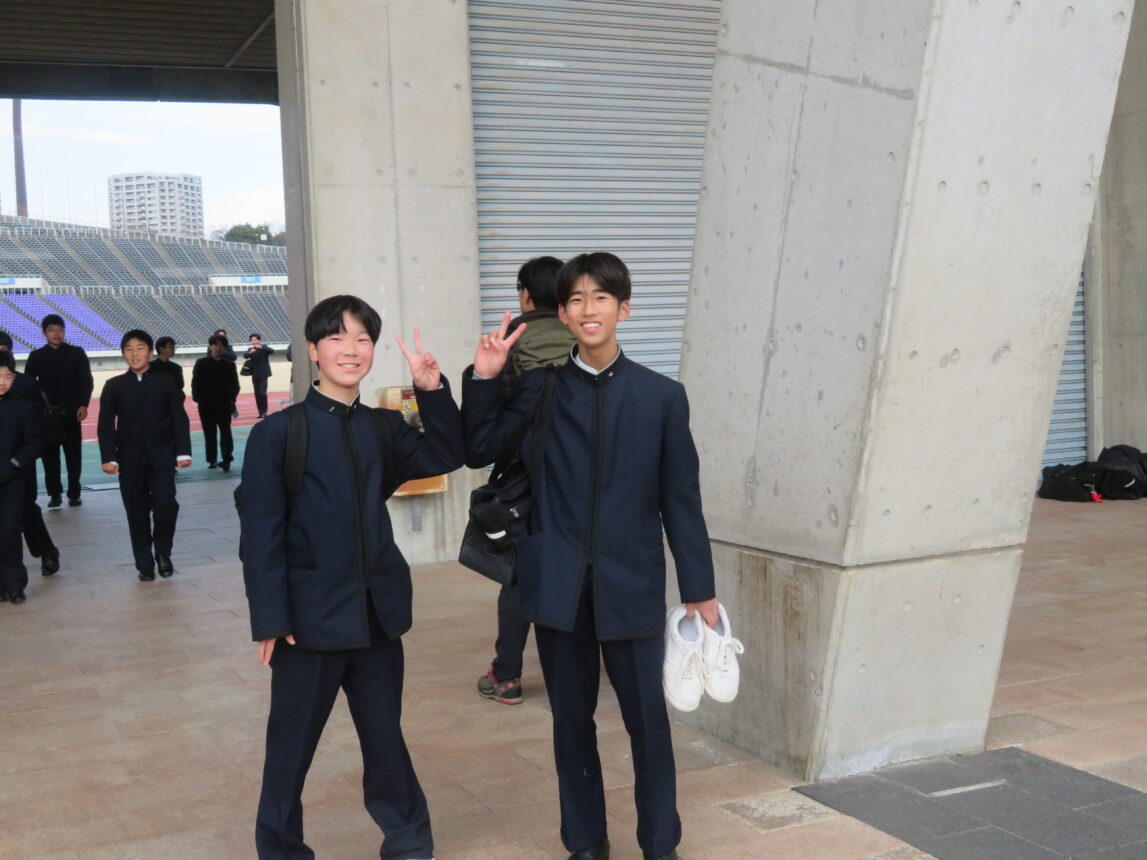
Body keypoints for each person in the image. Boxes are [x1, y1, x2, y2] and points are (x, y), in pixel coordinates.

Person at [463, 252, 718, 860]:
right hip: (557, 586)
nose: (588, 308)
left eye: (600, 297)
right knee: (570, 724)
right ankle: (584, 843)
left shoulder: (661, 397)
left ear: (623, 309)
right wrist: (485, 380)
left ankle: (661, 844)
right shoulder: (539, 389)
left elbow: (681, 501)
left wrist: (699, 589)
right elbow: (480, 448)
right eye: (575, 298)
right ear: (563, 313)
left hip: (631, 584)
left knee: (648, 724)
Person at [240, 295, 464, 860]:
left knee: (386, 740)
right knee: (290, 749)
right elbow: (260, 537)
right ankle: (280, 849)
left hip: (376, 618)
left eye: (362, 339)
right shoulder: (278, 435)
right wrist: (270, 618)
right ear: (313, 350)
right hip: (307, 625)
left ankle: (409, 844)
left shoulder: (384, 428)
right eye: (337, 338)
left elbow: (448, 452)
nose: (351, 349)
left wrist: (432, 391)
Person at [476, 255, 575, 706]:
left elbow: (494, 417)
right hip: (578, 474)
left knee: (519, 573)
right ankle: (578, 671)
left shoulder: (511, 338)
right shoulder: (583, 334)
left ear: (525, 294)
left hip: (525, 477)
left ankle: (507, 676)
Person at [98, 330, 192, 581]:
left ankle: (163, 552)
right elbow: (105, 424)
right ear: (123, 354)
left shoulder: (166, 382)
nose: (134, 353)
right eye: (128, 349)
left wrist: (183, 452)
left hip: (162, 457)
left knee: (165, 504)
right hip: (129, 460)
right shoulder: (114, 386)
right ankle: (144, 564)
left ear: (150, 352)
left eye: (140, 348)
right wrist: (108, 457)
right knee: (136, 512)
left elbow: (179, 418)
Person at [0, 332, 60, 577]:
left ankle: (46, 551)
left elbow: (38, 429)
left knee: (25, 512)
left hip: (19, 467)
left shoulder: (25, 384)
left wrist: (18, 461)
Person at [23, 314, 93, 508]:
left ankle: (74, 493)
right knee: (50, 458)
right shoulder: (36, 356)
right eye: (51, 330)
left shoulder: (77, 353)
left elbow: (86, 381)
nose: (56, 334)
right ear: (44, 333)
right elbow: (29, 385)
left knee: (74, 457)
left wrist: (83, 404)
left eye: (60, 330)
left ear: (64, 331)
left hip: (72, 413)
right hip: (47, 416)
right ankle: (55, 495)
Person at [0, 350, 48, 606]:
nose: (2, 382)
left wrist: (16, 463)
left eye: (7, 376)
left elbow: (35, 441)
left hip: (12, 480)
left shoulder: (22, 407)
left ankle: (15, 584)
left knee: (9, 529)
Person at [192, 334, 241, 471]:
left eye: (222, 346)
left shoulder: (229, 365)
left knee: (226, 431)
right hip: (205, 403)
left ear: (225, 348)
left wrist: (231, 399)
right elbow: (195, 382)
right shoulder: (201, 363)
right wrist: (198, 398)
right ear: (210, 346)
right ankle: (211, 459)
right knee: (209, 432)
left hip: (223, 403)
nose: (218, 348)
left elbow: (235, 385)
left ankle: (226, 458)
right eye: (215, 345)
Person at [244, 333, 275, 418]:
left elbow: (271, 351)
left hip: (264, 374)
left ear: (259, 340)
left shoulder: (264, 347)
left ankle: (264, 411)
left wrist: (261, 347)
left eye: (255, 340)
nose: (254, 341)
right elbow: (245, 355)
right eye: (252, 340)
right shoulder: (250, 349)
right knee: (257, 394)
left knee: (262, 393)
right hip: (254, 374)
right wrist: (250, 352)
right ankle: (260, 412)